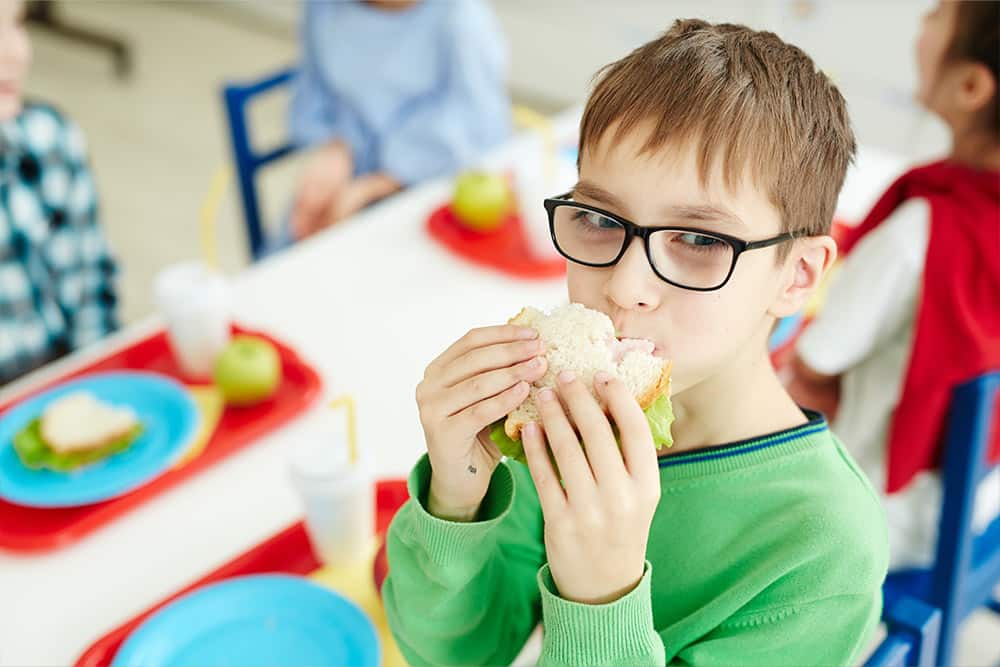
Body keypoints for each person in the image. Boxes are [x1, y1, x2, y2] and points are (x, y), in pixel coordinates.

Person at [382, 19, 888, 666]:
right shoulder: (562, 421)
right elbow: (461, 654)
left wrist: (602, 596)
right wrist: (457, 501)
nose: (623, 286)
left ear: (797, 276)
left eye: (699, 240)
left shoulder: (825, 547)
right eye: (600, 219)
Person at [787, 0, 1000, 569]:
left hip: (881, 514)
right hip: (976, 497)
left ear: (972, 86)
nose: (921, 24)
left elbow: (817, 358)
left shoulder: (921, 232)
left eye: (938, 15)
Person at [286, 0, 510, 242]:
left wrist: (376, 186)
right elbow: (313, 94)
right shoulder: (323, 7)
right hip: (346, 178)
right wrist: (335, 148)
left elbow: (473, 121)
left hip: (438, 185)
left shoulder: (459, 17)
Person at [0, 0, 119, 385]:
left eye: (17, 22)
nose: (16, 52)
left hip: (70, 380)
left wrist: (100, 381)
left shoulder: (50, 140)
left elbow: (92, 292)